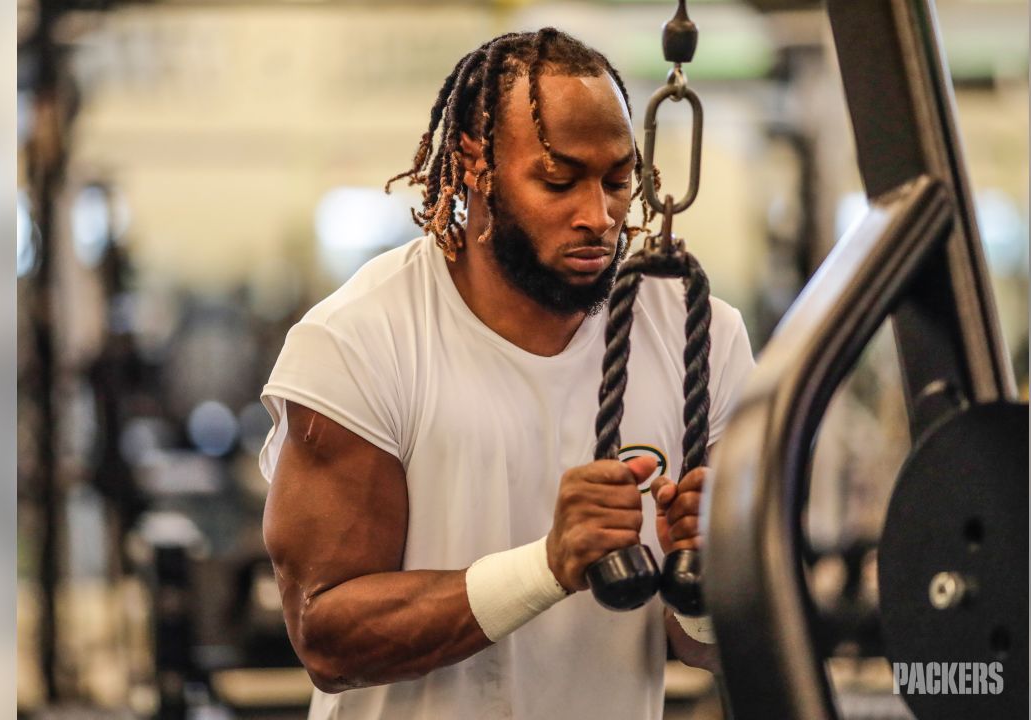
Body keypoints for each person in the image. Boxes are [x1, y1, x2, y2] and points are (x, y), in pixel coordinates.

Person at [258, 28, 755, 720]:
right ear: (474, 164)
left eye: (617, 181)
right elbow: (327, 637)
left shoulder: (702, 338)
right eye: (559, 180)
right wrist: (548, 567)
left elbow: (721, 647)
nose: (599, 217)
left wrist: (697, 582)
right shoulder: (358, 343)